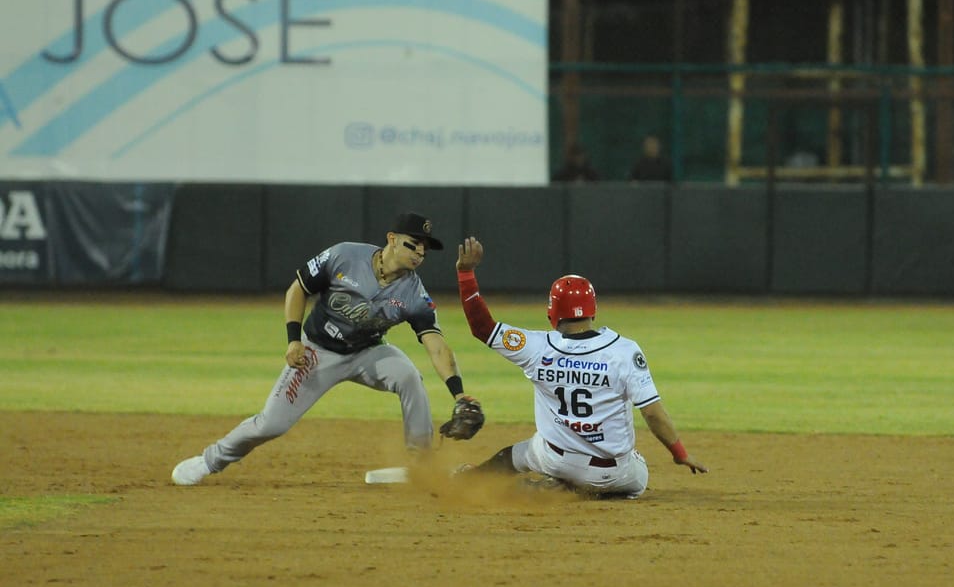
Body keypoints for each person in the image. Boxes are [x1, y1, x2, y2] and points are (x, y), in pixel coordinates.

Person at [171, 213, 476, 485]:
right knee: (271, 423)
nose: (420, 252)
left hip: (368, 352)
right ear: (392, 240)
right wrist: (293, 339)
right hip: (317, 351)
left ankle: (421, 463)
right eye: (414, 244)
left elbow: (435, 345)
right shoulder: (344, 256)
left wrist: (459, 394)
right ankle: (209, 460)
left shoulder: (414, 293)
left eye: (425, 248)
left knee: (408, 376)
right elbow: (299, 288)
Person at [451, 237, 706, 498]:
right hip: (616, 473)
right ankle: (585, 489)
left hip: (557, 460)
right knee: (638, 475)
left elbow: (482, 327)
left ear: (552, 311)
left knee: (512, 455)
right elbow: (652, 414)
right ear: (592, 310)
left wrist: (466, 273)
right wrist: (680, 454)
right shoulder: (624, 350)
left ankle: (478, 480)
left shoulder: (537, 347)